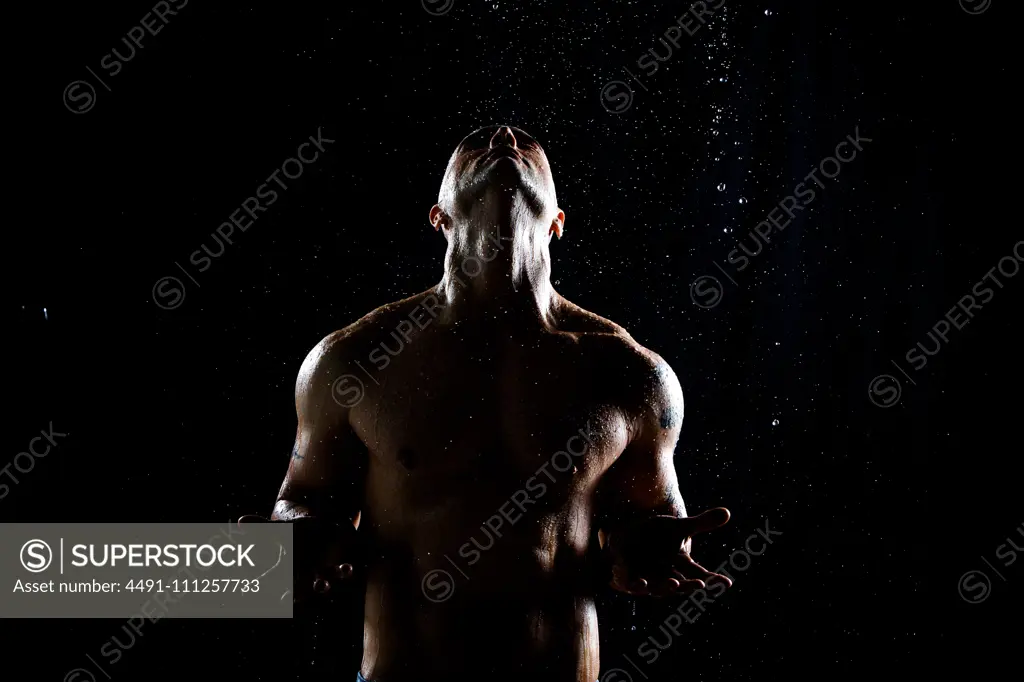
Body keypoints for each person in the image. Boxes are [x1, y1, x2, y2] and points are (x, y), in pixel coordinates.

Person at [251, 125, 733, 681]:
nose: (504, 137)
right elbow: (302, 500)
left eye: (528, 143)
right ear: (440, 216)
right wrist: (297, 537)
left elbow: (655, 521)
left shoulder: (629, 373)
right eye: (476, 141)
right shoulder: (355, 361)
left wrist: (647, 549)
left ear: (557, 223)